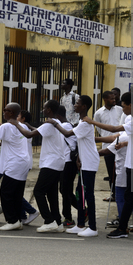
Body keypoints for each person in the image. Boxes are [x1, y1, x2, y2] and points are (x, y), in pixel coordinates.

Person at [85, 93, 133, 239]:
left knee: (130, 196)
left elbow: (113, 130)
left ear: (130, 105)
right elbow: (118, 136)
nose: (122, 109)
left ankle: (122, 228)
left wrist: (91, 122)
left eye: (124, 106)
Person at [48, 95, 100, 237]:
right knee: (80, 195)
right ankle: (81, 224)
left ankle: (93, 227)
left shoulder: (85, 124)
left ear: (84, 107)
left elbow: (66, 133)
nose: (75, 105)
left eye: (77, 103)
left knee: (88, 195)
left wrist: (54, 123)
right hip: (83, 161)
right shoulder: (82, 122)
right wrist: (78, 157)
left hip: (89, 163)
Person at [15, 100, 65, 233]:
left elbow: (29, 134)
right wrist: (28, 125)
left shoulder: (49, 124)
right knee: (51, 194)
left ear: (49, 110)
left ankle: (49, 220)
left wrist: (16, 124)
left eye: (44, 108)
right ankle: (58, 222)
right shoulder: (56, 123)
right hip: (57, 162)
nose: (42, 110)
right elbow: (37, 131)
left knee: (38, 191)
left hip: (50, 163)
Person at [0, 103, 32, 231]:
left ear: (13, 113)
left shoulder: (6, 126)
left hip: (14, 163)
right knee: (16, 193)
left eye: (7, 110)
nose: (4, 112)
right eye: (4, 109)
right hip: (23, 162)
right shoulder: (21, 125)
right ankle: (18, 220)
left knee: (5, 192)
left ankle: (12, 220)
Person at [94, 91, 123, 202]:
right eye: (111, 99)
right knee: (111, 172)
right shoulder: (98, 113)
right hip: (107, 146)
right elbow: (99, 129)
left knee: (120, 172)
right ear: (105, 99)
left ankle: (121, 194)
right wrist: (107, 137)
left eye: (114, 98)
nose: (114, 100)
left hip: (121, 145)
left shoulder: (120, 110)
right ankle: (114, 194)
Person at [56, 106, 78, 228]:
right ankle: (82, 211)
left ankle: (69, 217)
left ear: (57, 116)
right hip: (67, 162)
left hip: (68, 162)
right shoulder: (67, 125)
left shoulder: (63, 126)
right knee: (65, 190)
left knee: (66, 190)